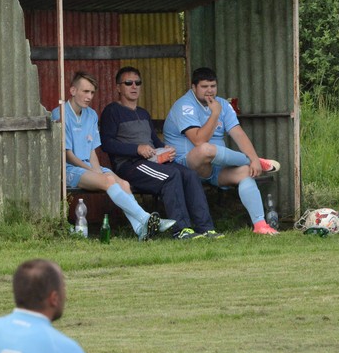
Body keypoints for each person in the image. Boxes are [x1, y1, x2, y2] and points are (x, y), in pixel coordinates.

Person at [100, 66, 224, 240]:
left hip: (153, 161)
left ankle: (206, 228)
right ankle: (181, 230)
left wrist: (165, 148)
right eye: (128, 83)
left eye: (137, 83)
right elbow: (107, 144)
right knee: (171, 175)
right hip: (130, 165)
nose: (134, 86)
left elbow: (154, 141)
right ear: (118, 87)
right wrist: (136, 149)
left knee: (189, 174)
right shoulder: (112, 111)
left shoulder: (143, 113)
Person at [51, 71, 175, 241]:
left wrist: (96, 170)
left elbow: (92, 151)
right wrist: (94, 172)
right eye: (85, 91)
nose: (89, 97)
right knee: (108, 180)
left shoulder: (91, 115)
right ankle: (147, 219)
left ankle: (140, 229)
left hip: (88, 167)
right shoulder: (60, 113)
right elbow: (68, 155)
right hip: (69, 169)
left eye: (92, 92)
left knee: (124, 184)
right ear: (72, 90)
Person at [163, 67, 281, 235]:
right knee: (205, 149)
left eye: (213, 86)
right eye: (204, 86)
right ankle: (250, 160)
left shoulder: (223, 104)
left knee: (246, 172)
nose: (209, 90)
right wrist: (215, 114)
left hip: (214, 168)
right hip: (186, 166)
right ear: (193, 87)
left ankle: (260, 225)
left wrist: (253, 158)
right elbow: (198, 140)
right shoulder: (184, 105)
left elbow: (239, 134)